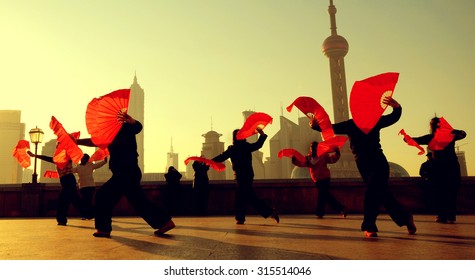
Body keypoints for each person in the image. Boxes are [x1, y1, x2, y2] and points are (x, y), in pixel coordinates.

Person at [311, 96, 416, 238]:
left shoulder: (374, 121)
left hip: (378, 162)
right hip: (363, 165)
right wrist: (316, 126)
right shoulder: (351, 124)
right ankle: (406, 218)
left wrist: (396, 106)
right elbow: (331, 128)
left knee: (371, 192)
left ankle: (369, 226)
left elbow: (393, 118)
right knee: (383, 195)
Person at [77, 111, 175, 237]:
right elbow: (95, 141)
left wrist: (132, 121)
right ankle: (165, 222)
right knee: (138, 201)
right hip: (125, 172)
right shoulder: (110, 134)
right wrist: (77, 141)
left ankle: (104, 229)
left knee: (103, 196)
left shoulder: (124, 127)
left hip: (126, 171)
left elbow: (138, 127)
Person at [212, 127, 279, 224]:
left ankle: (245, 217)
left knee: (243, 196)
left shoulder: (233, 148)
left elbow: (221, 157)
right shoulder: (244, 146)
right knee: (247, 196)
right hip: (246, 175)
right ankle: (267, 212)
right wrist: (262, 134)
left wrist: (209, 161)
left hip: (242, 176)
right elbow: (258, 145)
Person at [410, 117, 466, 224]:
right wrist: (455, 131)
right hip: (451, 166)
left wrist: (407, 138)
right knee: (451, 192)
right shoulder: (450, 135)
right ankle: (450, 216)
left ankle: (442, 216)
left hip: (438, 167)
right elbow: (463, 134)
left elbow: (417, 140)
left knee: (440, 192)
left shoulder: (432, 137)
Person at [27, 150, 93, 225]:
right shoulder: (58, 159)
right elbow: (47, 158)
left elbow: (50, 158)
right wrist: (35, 155)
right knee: (71, 200)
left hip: (68, 180)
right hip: (66, 180)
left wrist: (34, 155)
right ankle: (90, 213)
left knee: (66, 200)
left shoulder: (66, 157)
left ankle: (64, 219)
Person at [291, 142, 347, 218]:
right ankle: (340, 209)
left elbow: (332, 159)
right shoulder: (308, 158)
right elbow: (301, 164)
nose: (313, 149)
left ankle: (321, 212)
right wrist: (294, 161)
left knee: (323, 194)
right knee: (325, 195)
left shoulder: (323, 156)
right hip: (317, 180)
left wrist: (337, 153)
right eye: (312, 147)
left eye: (315, 147)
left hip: (325, 178)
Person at [71, 153, 107, 219]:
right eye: (81, 158)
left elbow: (98, 165)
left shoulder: (90, 165)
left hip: (90, 186)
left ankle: (91, 215)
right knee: (85, 201)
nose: (81, 159)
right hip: (82, 186)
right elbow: (71, 170)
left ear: (86, 159)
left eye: (83, 158)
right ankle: (90, 215)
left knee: (88, 201)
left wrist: (104, 161)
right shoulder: (78, 167)